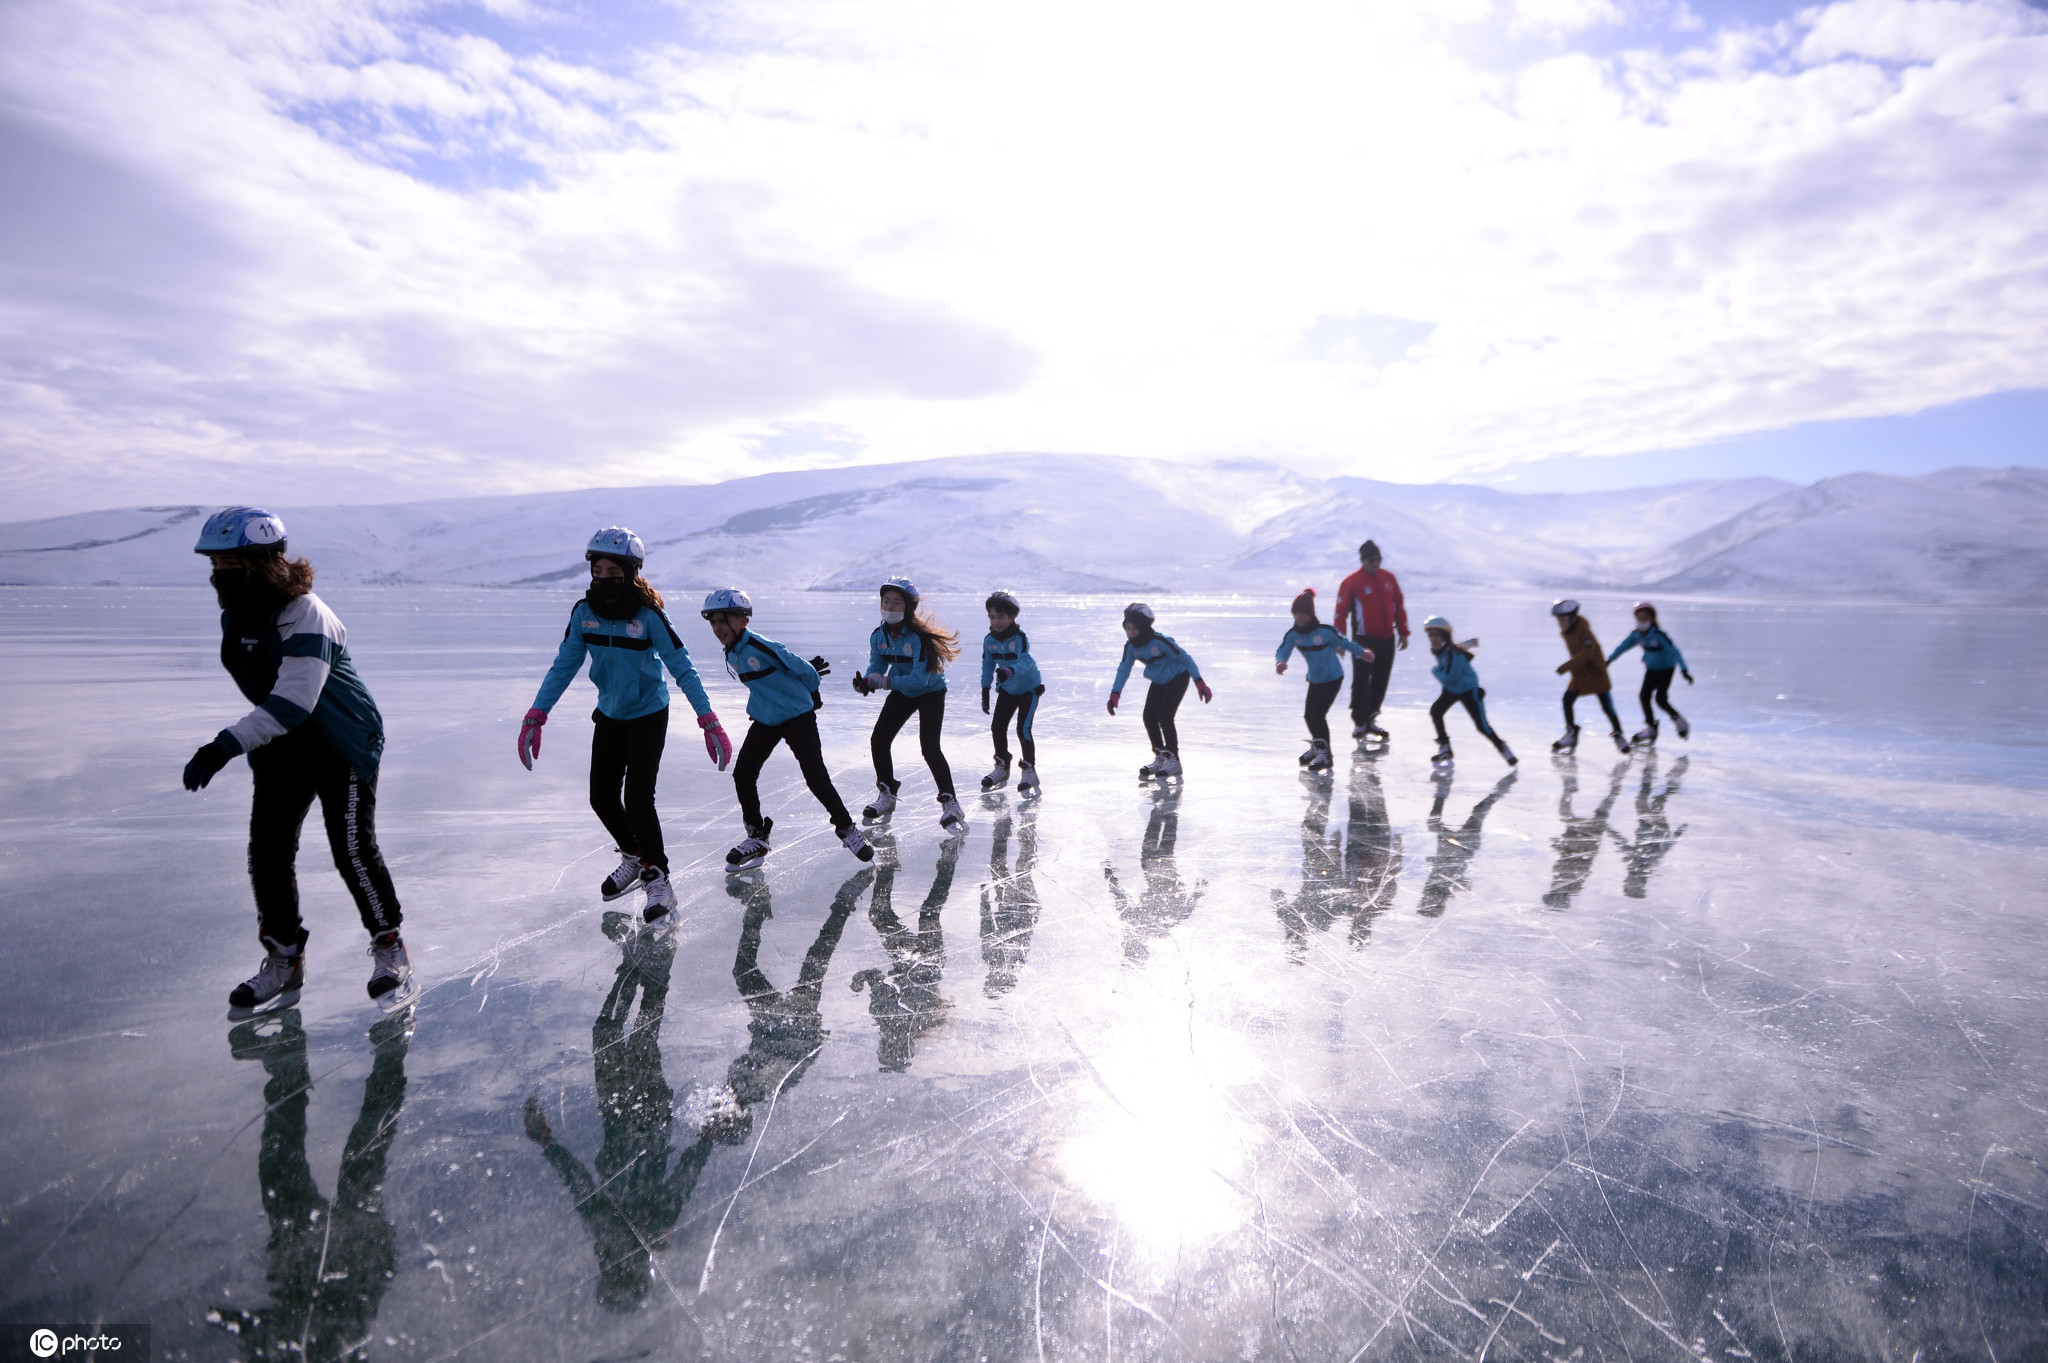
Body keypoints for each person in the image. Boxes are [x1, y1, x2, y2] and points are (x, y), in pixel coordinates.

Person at [181, 507, 415, 1016]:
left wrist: (224, 745)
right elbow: (273, 705)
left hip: (343, 742)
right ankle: (284, 958)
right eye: (214, 564)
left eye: (229, 564)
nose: (218, 575)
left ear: (264, 562)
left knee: (352, 849)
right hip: (284, 744)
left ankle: (389, 945)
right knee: (267, 851)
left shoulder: (306, 613)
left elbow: (292, 701)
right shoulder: (238, 616)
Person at [516, 528, 733, 930]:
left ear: (631, 572)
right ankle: (634, 855)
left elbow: (682, 667)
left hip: (650, 714)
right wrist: (536, 714)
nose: (602, 577)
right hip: (611, 714)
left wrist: (709, 720)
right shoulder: (584, 613)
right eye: (597, 570)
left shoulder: (649, 616)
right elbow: (564, 664)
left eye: (612, 570)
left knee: (637, 798)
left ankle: (658, 878)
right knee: (601, 796)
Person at [699, 587, 874, 871]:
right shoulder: (731, 653)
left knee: (816, 778)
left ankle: (848, 830)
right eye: (713, 622)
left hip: (797, 717)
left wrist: (811, 696)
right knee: (743, 774)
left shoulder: (761, 646)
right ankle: (756, 836)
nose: (718, 628)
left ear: (743, 620)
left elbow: (803, 671)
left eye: (724, 620)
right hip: (766, 719)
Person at [852, 577, 967, 833]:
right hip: (903, 689)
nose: (890, 608)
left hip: (930, 692)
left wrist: (884, 682)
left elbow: (919, 679)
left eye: (896, 603)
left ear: (908, 608)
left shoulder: (919, 639)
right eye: (886, 602)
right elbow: (877, 665)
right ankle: (887, 793)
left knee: (929, 747)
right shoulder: (878, 636)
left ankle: (951, 802)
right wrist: (868, 682)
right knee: (879, 739)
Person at [1108, 602, 1212, 780]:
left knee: (1164, 715)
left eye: (1134, 628)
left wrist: (1200, 682)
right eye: (1127, 628)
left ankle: (1174, 760)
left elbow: (1185, 659)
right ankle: (1161, 756)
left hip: (1178, 677)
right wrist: (1115, 693)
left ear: (1143, 626)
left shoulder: (1160, 641)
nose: (1130, 632)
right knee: (1149, 716)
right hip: (1159, 680)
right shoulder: (1131, 646)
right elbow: (1123, 669)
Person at [1275, 586, 1373, 771]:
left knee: (1318, 715)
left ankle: (1326, 756)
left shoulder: (1325, 632)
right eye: (1296, 613)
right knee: (1308, 715)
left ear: (1311, 614)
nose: (1300, 617)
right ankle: (1318, 747)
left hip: (1332, 678)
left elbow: (1344, 642)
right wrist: (1281, 662)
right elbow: (1283, 650)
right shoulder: (1293, 635)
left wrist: (1362, 653)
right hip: (1315, 679)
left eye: (1303, 613)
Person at [1333, 540, 1409, 744]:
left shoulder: (1388, 578)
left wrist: (1403, 632)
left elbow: (1398, 606)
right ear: (1363, 560)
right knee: (1361, 680)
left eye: (1378, 559)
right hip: (1363, 640)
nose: (1376, 563)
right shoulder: (1351, 582)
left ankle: (1371, 718)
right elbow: (1340, 613)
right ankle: (1359, 721)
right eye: (1371, 560)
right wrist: (1340, 641)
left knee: (1381, 680)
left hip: (1387, 638)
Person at [1421, 615, 1517, 767]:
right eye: (1431, 635)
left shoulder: (1454, 654)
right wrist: (1470, 642)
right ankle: (1445, 747)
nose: (1433, 639)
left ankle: (1502, 747)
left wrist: (1435, 671)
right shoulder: (1443, 649)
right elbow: (1458, 647)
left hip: (1467, 690)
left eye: (1437, 635)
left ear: (1444, 636)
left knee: (1482, 726)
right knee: (1436, 711)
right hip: (1452, 690)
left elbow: (1449, 678)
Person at [978, 589, 1045, 795]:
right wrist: (985, 689)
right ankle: (1002, 765)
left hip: (1028, 688)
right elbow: (988, 665)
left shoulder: (1019, 637)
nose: (996, 621)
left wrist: (1010, 670)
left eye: (1001, 617)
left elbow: (1027, 660)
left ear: (1012, 617)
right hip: (1008, 689)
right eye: (992, 616)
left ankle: (1029, 770)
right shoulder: (989, 640)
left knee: (1022, 729)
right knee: (997, 727)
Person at [1606, 601, 1694, 745]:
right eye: (1639, 618)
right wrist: (1610, 659)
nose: (1642, 621)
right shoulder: (1637, 635)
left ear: (1652, 619)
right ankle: (1651, 727)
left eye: (1645, 618)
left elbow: (1675, 652)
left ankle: (1680, 721)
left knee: (1660, 699)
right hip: (1652, 669)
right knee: (1644, 696)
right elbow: (1623, 646)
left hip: (1666, 668)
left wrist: (1684, 671)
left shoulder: (1659, 635)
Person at [1550, 599, 1629, 755]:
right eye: (1559, 620)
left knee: (1607, 706)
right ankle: (1571, 733)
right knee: (1567, 700)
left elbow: (1586, 654)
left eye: (1563, 619)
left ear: (1573, 618)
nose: (1560, 623)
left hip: (1595, 673)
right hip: (1580, 674)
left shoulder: (1585, 633)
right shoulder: (1568, 632)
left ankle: (1618, 735)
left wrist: (1565, 667)